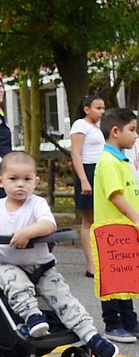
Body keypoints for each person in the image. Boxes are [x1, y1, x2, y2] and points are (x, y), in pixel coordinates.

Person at [0, 151, 118, 357]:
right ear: (0, 181)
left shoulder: (36, 204)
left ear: (35, 181)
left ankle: (89, 333)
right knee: (17, 286)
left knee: (63, 296)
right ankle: (33, 317)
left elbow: (48, 224)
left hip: (40, 266)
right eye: (13, 179)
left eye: (27, 180)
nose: (20, 185)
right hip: (6, 264)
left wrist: (28, 232)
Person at [93, 107, 139, 343]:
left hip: (123, 230)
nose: (135, 135)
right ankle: (113, 324)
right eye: (132, 130)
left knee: (125, 277)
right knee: (111, 279)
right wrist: (136, 218)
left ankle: (130, 322)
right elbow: (115, 195)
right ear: (115, 131)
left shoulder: (122, 161)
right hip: (110, 231)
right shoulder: (108, 161)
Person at [69, 93, 105, 277]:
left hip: (101, 171)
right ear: (86, 109)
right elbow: (75, 153)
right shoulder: (80, 125)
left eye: (103, 108)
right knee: (88, 220)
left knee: (102, 218)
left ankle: (104, 260)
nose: (102, 112)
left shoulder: (98, 127)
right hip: (88, 171)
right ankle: (91, 265)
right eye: (98, 108)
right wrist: (83, 179)